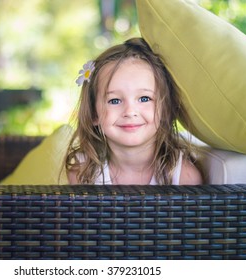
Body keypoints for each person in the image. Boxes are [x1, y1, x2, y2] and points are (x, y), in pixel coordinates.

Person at [65, 37, 203, 185]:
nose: (130, 112)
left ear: (165, 109)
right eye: (115, 100)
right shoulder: (81, 174)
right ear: (93, 113)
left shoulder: (184, 177)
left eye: (144, 98)